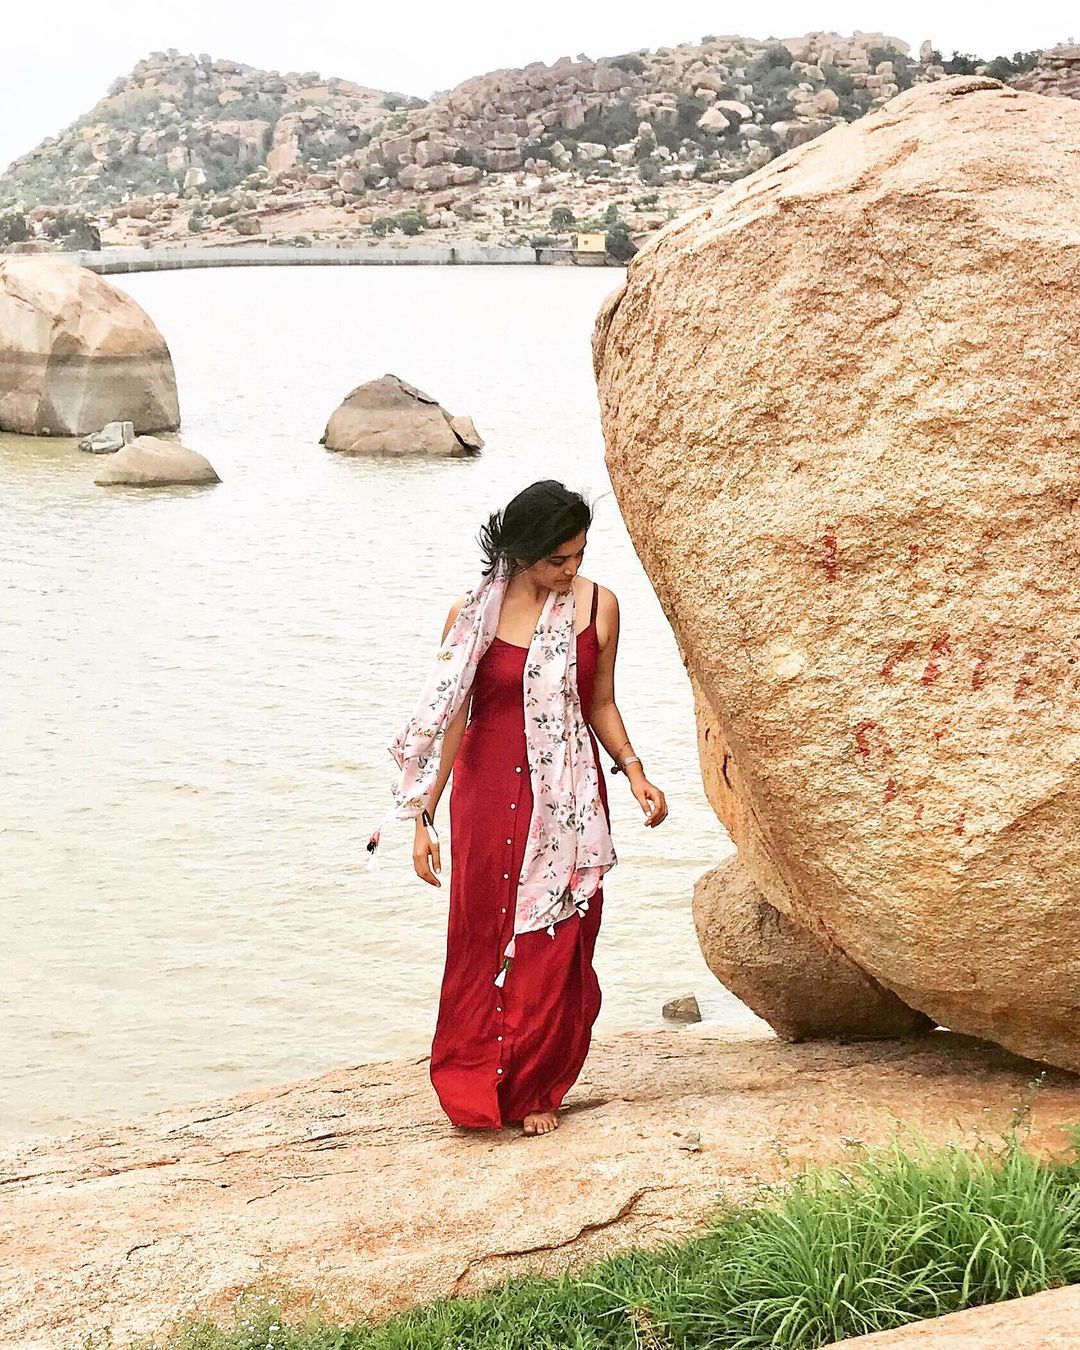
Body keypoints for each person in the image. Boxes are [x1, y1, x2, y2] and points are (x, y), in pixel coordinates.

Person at [369, 480, 667, 1136]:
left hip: (567, 797)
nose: (571, 569)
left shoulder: (599, 607)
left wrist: (635, 772)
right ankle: (476, 1077)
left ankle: (537, 1086)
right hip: (486, 794)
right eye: (558, 558)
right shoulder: (472, 614)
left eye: (580, 554)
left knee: (557, 939)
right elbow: (452, 718)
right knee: (480, 935)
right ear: (523, 550)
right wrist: (423, 819)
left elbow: (600, 702)